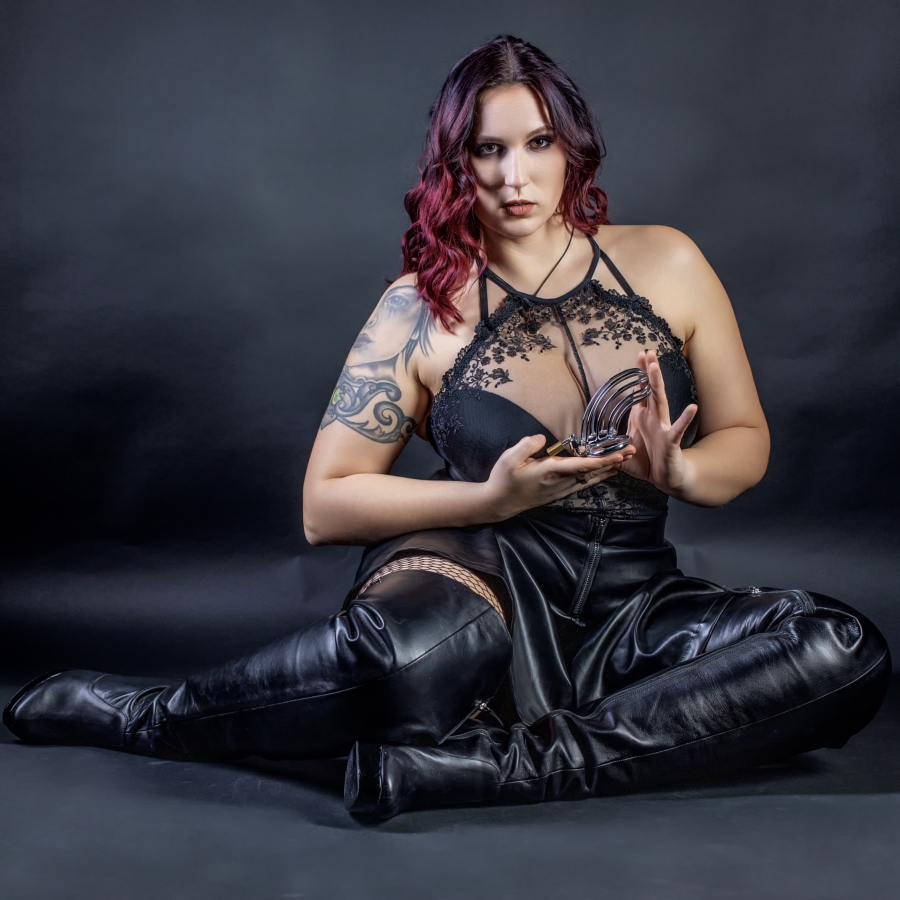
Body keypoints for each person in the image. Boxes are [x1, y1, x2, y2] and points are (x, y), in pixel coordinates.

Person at [4, 35, 890, 820]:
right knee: (407, 658)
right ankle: (145, 715)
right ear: (455, 164)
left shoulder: (670, 261)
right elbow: (324, 505)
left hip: (634, 605)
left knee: (839, 647)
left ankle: (493, 767)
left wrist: (682, 473)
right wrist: (488, 500)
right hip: (478, 579)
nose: (514, 177)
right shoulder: (417, 310)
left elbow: (745, 439)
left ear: (572, 145)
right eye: (487, 150)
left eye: (538, 143)